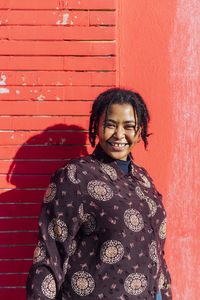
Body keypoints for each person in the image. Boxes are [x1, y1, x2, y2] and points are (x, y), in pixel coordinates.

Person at [26, 88, 172, 299]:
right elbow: (50, 254)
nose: (119, 135)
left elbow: (158, 253)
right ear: (97, 127)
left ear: (140, 131)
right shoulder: (76, 176)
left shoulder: (144, 180)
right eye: (111, 125)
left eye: (128, 126)